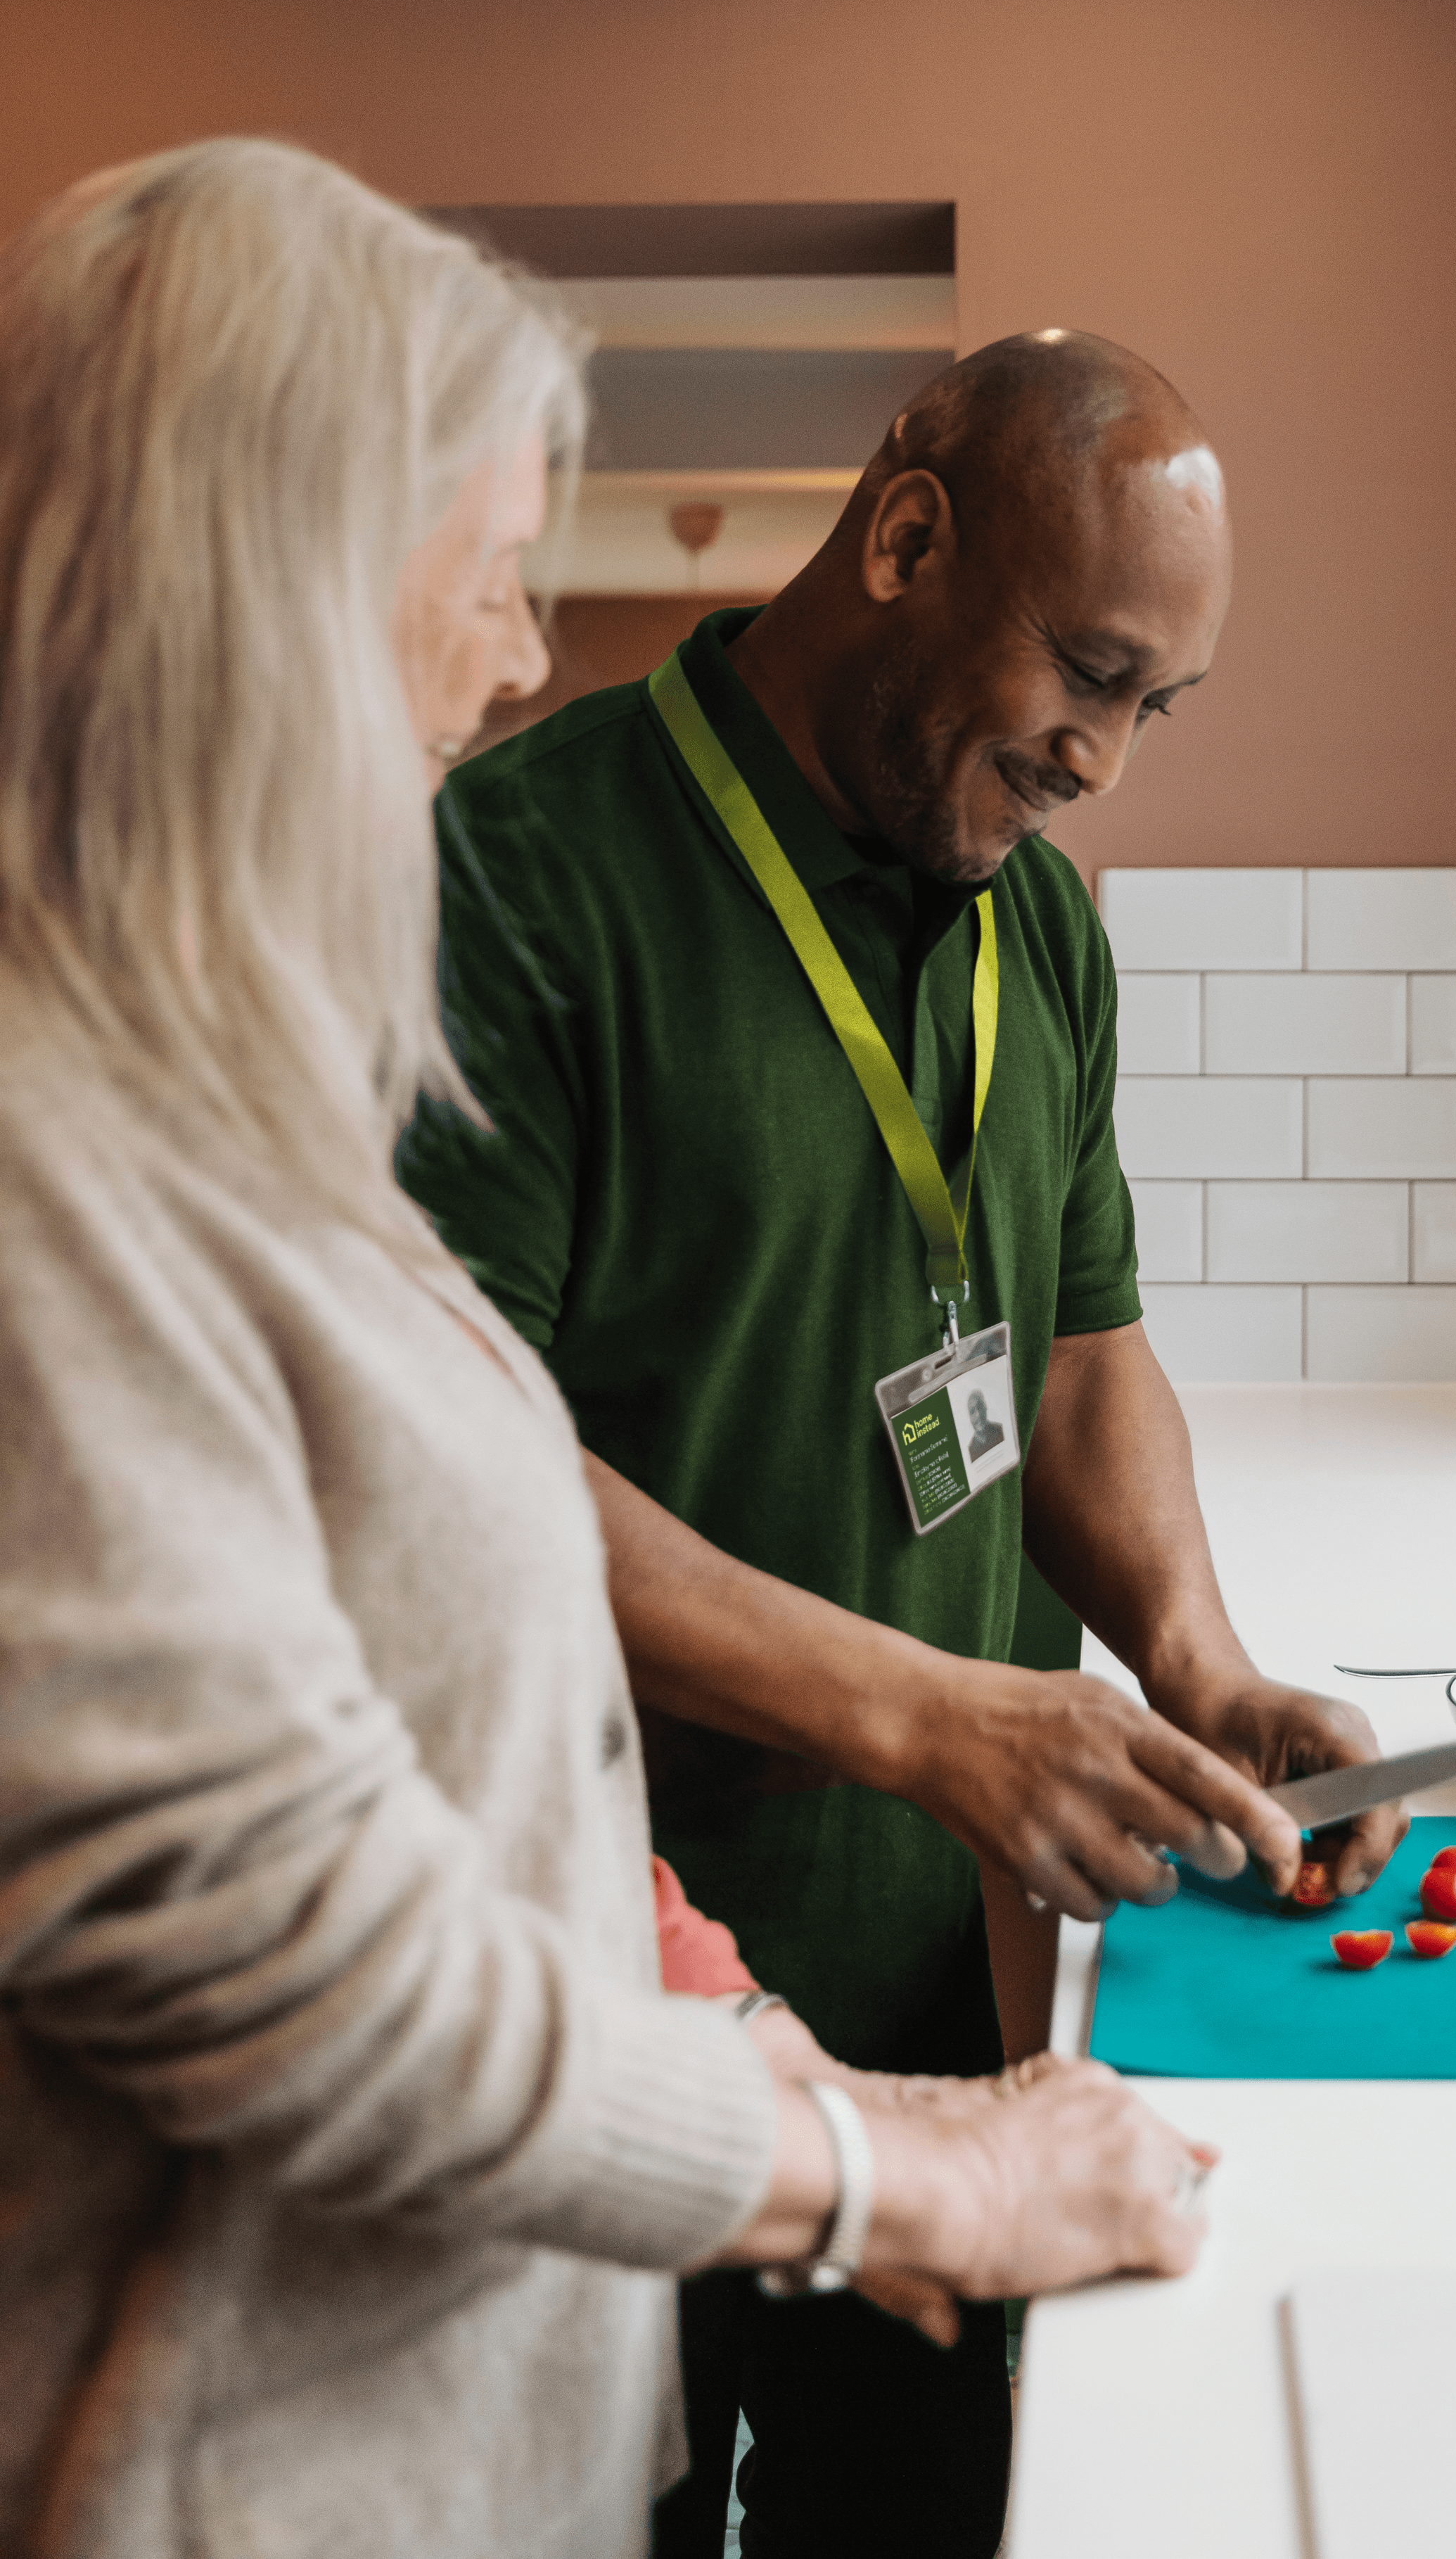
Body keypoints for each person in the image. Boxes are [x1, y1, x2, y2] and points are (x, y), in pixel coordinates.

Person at [0, 144, 1214, 2559]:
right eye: (467, 585)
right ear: (259, 606)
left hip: (537, 2363)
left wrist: (750, 2030)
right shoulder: (59, 1171)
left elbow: (462, 1714)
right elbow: (296, 1959)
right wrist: (887, 2171)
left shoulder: (203, 1100)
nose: (517, 661)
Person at [397, 324, 1410, 2554]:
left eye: (1160, 703)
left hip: (948, 1994)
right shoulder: (522, 878)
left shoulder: (1037, 921)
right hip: (608, 1998)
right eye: (1087, 668)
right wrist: (940, 1713)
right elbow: (452, 1481)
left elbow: (1070, 1363)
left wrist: (1193, 1649)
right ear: (909, 532)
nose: (1109, 756)